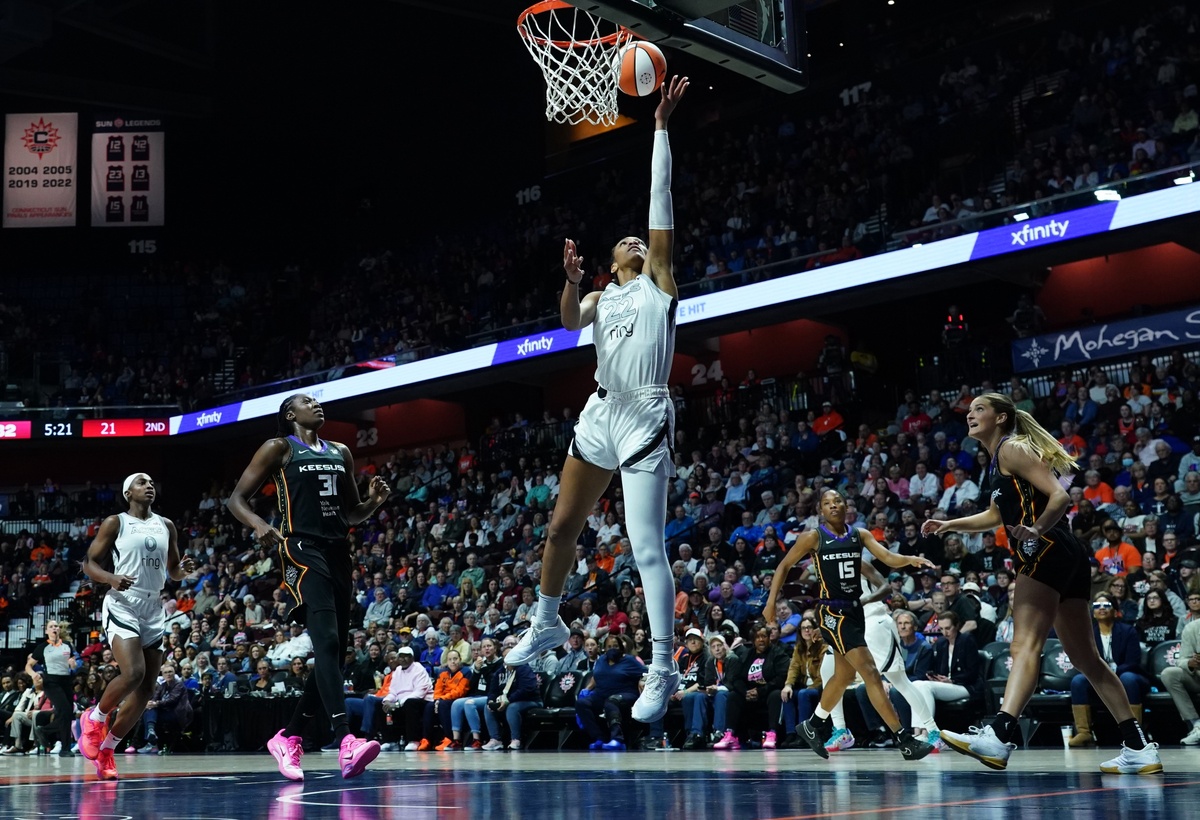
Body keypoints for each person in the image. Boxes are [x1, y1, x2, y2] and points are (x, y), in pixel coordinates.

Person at [506, 76, 691, 727]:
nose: (637, 243)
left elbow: (660, 202)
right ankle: (546, 623)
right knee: (560, 528)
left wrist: (661, 128)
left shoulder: (659, 283)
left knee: (646, 548)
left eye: (641, 241)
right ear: (612, 262)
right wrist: (571, 282)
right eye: (628, 244)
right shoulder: (601, 296)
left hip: (645, 411)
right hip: (601, 410)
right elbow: (564, 325)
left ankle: (664, 666)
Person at [923, 392, 1162, 774]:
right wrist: (951, 523)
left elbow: (1060, 496)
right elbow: (995, 515)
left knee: (1024, 645)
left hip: (1046, 546)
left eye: (979, 409)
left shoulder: (1011, 448)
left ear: (1001, 418)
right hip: (1066, 553)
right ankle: (1138, 747)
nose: (971, 415)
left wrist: (1033, 531)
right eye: (968, 411)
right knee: (1087, 659)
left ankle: (999, 734)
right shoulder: (999, 459)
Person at [227, 393, 389, 780]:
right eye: (307, 402)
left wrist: (374, 503)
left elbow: (351, 513)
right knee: (327, 644)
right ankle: (346, 742)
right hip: (300, 548)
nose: (317, 405)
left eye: (317, 401)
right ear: (289, 413)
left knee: (335, 653)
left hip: (338, 553)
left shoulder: (341, 451)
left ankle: (290, 735)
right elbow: (235, 499)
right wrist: (259, 524)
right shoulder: (279, 448)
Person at [764, 489, 936, 761]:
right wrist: (771, 602)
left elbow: (888, 558)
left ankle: (813, 726)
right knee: (870, 673)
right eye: (827, 503)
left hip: (855, 610)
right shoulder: (813, 537)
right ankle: (904, 740)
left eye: (838, 501)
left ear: (847, 506)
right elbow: (784, 566)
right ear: (821, 510)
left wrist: (909, 560)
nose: (833, 506)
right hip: (832, 612)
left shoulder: (860, 535)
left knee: (843, 677)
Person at [78, 473, 195, 780]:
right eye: (142, 482)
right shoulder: (116, 523)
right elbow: (89, 562)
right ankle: (94, 717)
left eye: (152, 482)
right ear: (128, 492)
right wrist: (110, 578)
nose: (150, 485)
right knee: (133, 673)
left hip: (154, 607)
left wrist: (184, 570)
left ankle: (107, 750)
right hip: (123, 603)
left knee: (145, 690)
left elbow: (173, 570)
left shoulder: (166, 525)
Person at [1067, 592, 1148, 747]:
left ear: (1115, 611)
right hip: (1098, 677)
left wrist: (1112, 673)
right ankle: (1084, 732)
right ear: (1093, 612)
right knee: (1078, 681)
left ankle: (1135, 732)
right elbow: (1083, 660)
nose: (1101, 608)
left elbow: (1133, 661)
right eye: (1097, 606)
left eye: (1106, 605)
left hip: (1127, 675)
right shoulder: (1087, 633)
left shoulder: (1128, 631)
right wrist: (1102, 674)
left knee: (1128, 679)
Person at [575, 634, 646, 750]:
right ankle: (599, 738)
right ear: (604, 649)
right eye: (609, 646)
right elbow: (596, 675)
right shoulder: (602, 660)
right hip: (601, 694)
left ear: (621, 648)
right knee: (582, 703)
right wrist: (587, 689)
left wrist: (642, 681)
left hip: (625, 694)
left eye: (615, 646)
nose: (612, 649)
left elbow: (646, 673)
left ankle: (617, 739)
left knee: (611, 701)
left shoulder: (629, 660)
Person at [25, 619, 76, 756]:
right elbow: (28, 666)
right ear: (47, 631)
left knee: (67, 714)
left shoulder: (67, 645)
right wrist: (33, 674)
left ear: (59, 630)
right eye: (51, 626)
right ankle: (64, 747)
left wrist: (73, 664)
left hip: (66, 680)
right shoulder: (42, 647)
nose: (55, 628)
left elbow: (73, 663)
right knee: (64, 710)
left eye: (57, 626)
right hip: (51, 681)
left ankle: (47, 733)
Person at [1160, 617, 1200, 745]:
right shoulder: (1192, 627)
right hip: (1197, 677)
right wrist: (1191, 663)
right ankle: (1196, 725)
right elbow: (1181, 660)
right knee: (1169, 674)